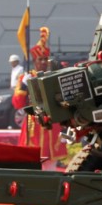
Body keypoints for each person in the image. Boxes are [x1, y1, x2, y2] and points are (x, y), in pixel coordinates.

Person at [14, 27, 69, 165]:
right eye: (40, 59)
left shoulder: (53, 76)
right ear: (34, 61)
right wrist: (24, 86)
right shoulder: (25, 77)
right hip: (34, 121)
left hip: (52, 119)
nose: (44, 62)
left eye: (46, 59)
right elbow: (18, 104)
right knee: (31, 160)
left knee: (51, 162)